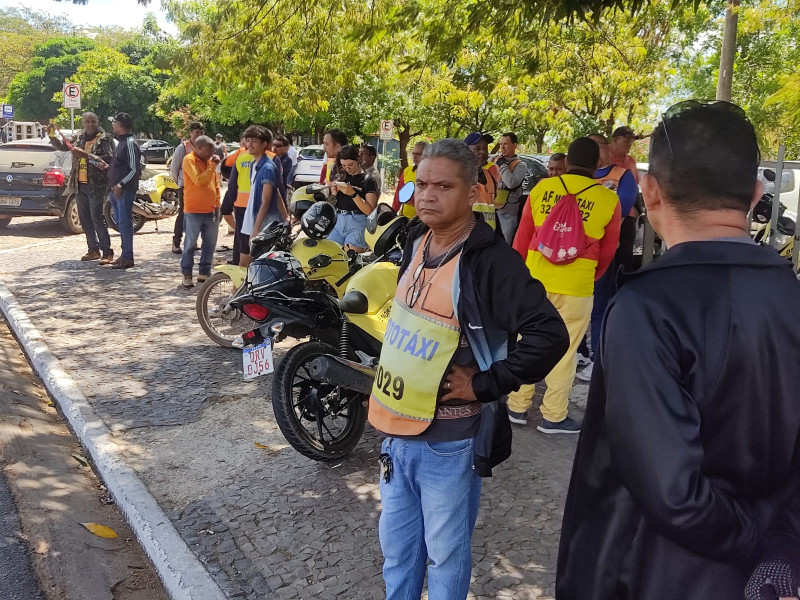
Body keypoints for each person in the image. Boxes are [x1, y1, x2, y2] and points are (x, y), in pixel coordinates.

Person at [558, 100, 800, 600]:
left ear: (649, 191)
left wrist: (759, 537)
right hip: (767, 574)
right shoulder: (790, 296)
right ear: (756, 195)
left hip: (653, 571)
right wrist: (780, 541)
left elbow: (674, 496)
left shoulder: (645, 308)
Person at [371, 138, 568, 600]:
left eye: (443, 186)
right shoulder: (416, 241)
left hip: (449, 445)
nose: (427, 196)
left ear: (474, 191)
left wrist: (485, 384)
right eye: (421, 184)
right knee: (397, 552)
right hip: (397, 439)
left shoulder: (490, 262)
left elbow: (550, 334)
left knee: (445, 555)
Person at [508, 137, 620, 432]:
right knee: (566, 349)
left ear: (567, 162)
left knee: (527, 341)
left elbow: (523, 237)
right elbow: (609, 250)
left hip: (535, 280)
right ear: (598, 164)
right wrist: (591, 277)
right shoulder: (609, 199)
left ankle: (517, 406)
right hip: (577, 283)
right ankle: (553, 416)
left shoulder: (542, 189)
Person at [575, 133, 639, 382]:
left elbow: (621, 207)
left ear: (607, 148)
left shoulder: (622, 175)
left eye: (597, 146)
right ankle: (579, 351)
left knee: (601, 302)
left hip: (606, 249)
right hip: (577, 251)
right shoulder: (579, 179)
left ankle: (598, 357)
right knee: (578, 304)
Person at [50, 112, 115, 263]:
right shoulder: (79, 137)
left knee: (97, 218)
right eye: (87, 122)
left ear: (97, 122)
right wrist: (52, 134)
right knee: (85, 219)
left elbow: (107, 160)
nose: (91, 124)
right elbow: (63, 146)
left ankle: (107, 252)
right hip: (79, 184)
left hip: (96, 185)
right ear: (83, 124)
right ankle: (93, 250)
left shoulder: (104, 138)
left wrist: (86, 155)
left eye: (93, 121)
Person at [240, 125, 288, 266]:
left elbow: (266, 201)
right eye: (248, 140)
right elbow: (277, 193)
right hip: (250, 222)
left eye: (254, 141)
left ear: (264, 144)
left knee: (252, 266)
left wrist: (256, 228)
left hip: (261, 226)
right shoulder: (254, 165)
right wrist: (286, 217)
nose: (249, 145)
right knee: (245, 266)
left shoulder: (267, 167)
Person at [180, 135, 221, 288]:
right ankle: (187, 274)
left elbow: (214, 184)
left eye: (213, 150)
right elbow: (199, 180)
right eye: (209, 150)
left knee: (210, 244)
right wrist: (213, 166)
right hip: (194, 210)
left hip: (211, 210)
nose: (212, 153)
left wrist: (218, 203)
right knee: (190, 244)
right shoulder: (189, 160)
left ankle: (204, 272)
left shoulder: (210, 163)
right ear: (198, 148)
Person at [107, 112, 142, 270]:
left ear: (120, 125)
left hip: (124, 190)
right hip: (116, 190)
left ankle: (128, 256)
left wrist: (120, 184)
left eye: (114, 123)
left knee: (125, 223)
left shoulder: (129, 143)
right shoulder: (121, 143)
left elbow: (135, 169)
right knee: (121, 223)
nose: (112, 125)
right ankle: (124, 255)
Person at [327, 145, 379, 251]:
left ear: (358, 159)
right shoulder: (340, 177)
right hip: (338, 219)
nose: (348, 169)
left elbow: (369, 211)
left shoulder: (368, 180)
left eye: (350, 165)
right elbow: (330, 205)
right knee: (330, 253)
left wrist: (353, 194)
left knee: (351, 257)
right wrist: (333, 194)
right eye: (344, 166)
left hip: (357, 220)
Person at [171, 122, 205, 254]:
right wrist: (179, 181)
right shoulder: (183, 147)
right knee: (183, 214)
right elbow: (174, 167)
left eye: (201, 133)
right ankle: (176, 242)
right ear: (191, 133)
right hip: (185, 187)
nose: (199, 135)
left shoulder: (204, 147)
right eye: (197, 133)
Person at [221, 137, 253, 265]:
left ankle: (240, 261)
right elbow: (226, 167)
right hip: (240, 196)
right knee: (242, 233)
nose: (244, 142)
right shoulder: (240, 153)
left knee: (244, 235)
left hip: (243, 198)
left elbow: (226, 168)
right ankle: (239, 260)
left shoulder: (242, 154)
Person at [494, 132, 528, 244]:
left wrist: (503, 165)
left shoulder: (520, 165)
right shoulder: (495, 160)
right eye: (500, 144)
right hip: (491, 209)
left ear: (514, 145)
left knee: (503, 245)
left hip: (507, 211)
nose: (502, 147)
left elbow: (511, 183)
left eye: (506, 144)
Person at [464, 132, 500, 232]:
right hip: (468, 238)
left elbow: (492, 211)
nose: (483, 152)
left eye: (485, 148)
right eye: (477, 149)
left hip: (488, 237)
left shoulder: (489, 176)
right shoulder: (460, 178)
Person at [391, 141, 427, 218]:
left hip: (422, 220)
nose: (414, 156)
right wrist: (392, 213)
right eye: (413, 154)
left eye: (418, 154)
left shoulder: (433, 173)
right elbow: (398, 195)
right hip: (405, 218)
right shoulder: (407, 171)